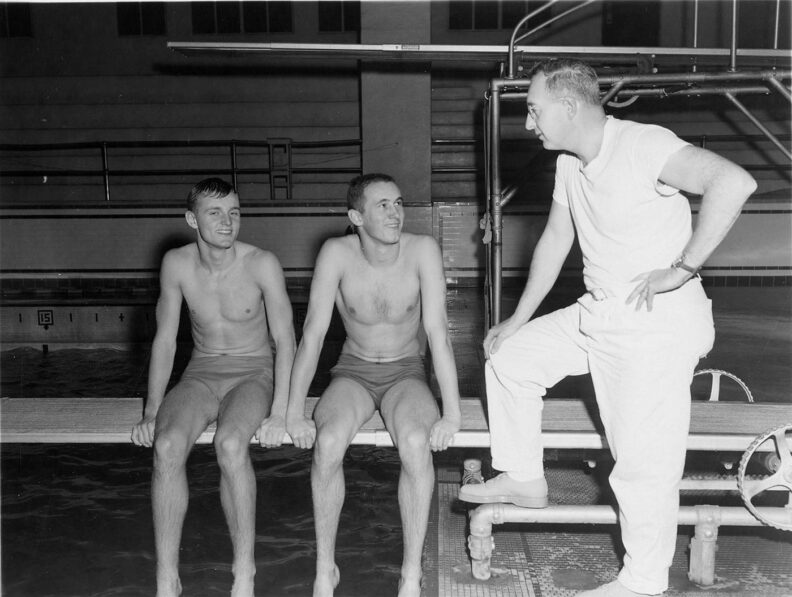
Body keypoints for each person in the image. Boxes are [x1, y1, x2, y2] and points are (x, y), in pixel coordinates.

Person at [458, 59, 757, 597]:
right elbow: (555, 239)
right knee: (509, 358)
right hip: (601, 311)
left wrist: (684, 267)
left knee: (642, 460)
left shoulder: (642, 144)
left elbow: (732, 182)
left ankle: (642, 581)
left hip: (654, 323)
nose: (529, 124)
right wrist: (517, 320)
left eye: (534, 109)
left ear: (569, 107)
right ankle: (525, 477)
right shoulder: (572, 163)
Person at [286, 173, 462, 597]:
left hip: (406, 371)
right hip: (353, 370)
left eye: (398, 203)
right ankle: (325, 569)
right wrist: (291, 412)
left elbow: (438, 333)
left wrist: (453, 413)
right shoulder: (336, 254)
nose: (395, 212)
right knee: (327, 444)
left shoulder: (423, 251)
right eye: (382, 205)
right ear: (356, 216)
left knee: (417, 444)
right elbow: (311, 334)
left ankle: (410, 574)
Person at [131, 177, 296, 597]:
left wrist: (280, 411)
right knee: (166, 446)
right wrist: (152, 411)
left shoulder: (262, 263)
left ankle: (244, 570)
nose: (228, 222)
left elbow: (285, 341)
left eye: (235, 212)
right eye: (215, 213)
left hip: (253, 371)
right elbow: (166, 340)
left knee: (230, 445)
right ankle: (167, 577)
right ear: (191, 219)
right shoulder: (177, 264)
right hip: (201, 372)